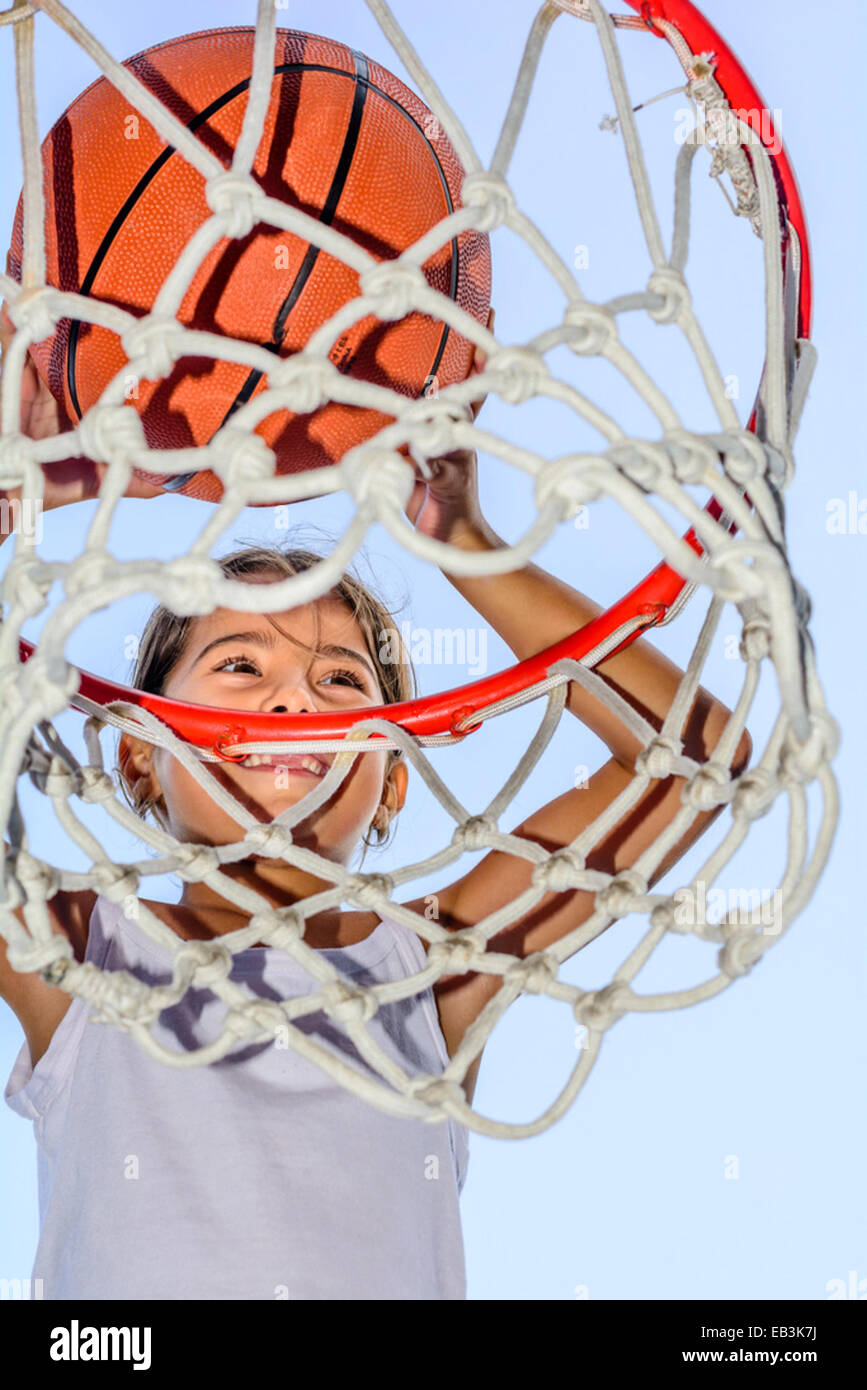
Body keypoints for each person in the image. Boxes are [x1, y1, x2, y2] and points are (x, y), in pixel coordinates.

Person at [0, 302, 749, 1298]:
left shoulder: (429, 974)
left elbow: (689, 758)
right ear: (142, 757)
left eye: (344, 682)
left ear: (394, 775)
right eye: (238, 660)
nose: (294, 696)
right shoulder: (85, 956)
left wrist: (464, 543)